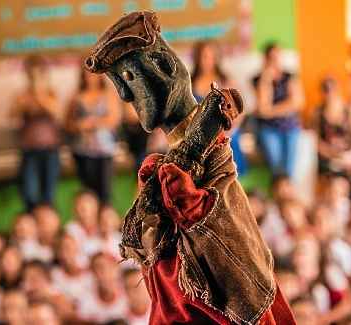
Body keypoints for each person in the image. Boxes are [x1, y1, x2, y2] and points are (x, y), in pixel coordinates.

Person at [85, 11, 295, 325]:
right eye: (118, 85)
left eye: (128, 78)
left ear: (167, 68)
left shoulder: (199, 180)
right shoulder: (167, 171)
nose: (125, 95)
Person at [11, 55, 60, 212]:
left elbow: (55, 111)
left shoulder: (51, 92)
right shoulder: (22, 94)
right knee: (29, 194)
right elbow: (13, 113)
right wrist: (28, 101)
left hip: (50, 149)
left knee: (48, 195)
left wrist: (38, 93)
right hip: (29, 150)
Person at [191, 40, 247, 175]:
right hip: (198, 136)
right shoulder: (190, 83)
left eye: (212, 57)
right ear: (197, 58)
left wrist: (230, 129)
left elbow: (241, 110)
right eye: (204, 56)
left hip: (225, 132)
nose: (208, 61)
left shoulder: (226, 80)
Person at [65, 68, 121, 203]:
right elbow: (68, 123)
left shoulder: (108, 94)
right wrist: (80, 125)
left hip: (104, 149)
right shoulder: (76, 96)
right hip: (82, 150)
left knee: (105, 192)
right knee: (87, 191)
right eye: (86, 73)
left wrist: (94, 123)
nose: (90, 77)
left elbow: (114, 119)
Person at [253, 41, 304, 177]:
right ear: (265, 59)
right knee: (275, 165)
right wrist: (266, 79)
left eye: (277, 56)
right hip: (268, 129)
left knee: (289, 167)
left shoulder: (290, 76)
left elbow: (297, 102)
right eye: (271, 57)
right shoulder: (258, 79)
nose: (275, 61)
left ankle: (287, 193)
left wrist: (270, 112)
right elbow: (263, 105)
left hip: (290, 126)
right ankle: (279, 192)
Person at [315, 77, 351, 177]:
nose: (329, 93)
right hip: (329, 159)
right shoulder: (318, 113)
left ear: (337, 89)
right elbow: (316, 142)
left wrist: (350, 155)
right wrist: (332, 154)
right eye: (326, 90)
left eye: (331, 89)